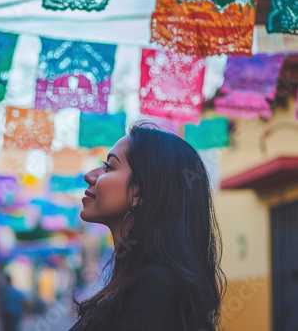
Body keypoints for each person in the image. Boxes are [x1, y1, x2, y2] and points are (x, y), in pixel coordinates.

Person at [69, 121, 226, 331]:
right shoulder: (141, 280)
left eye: (109, 166)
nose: (89, 176)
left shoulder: (154, 287)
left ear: (139, 193)